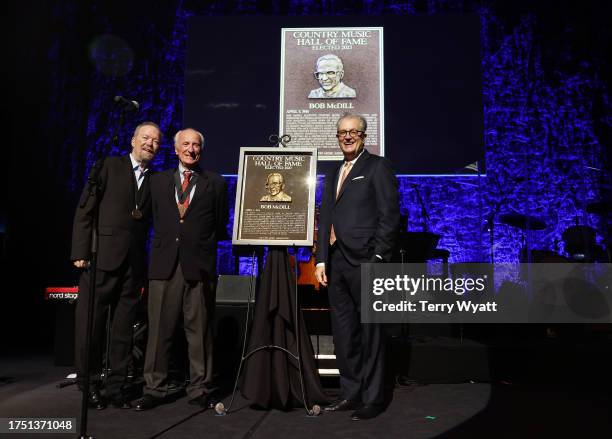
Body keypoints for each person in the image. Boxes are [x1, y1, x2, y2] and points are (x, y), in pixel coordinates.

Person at [134, 128, 228, 411]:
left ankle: (200, 388)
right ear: (175, 149)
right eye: (185, 144)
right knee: (159, 331)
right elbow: (145, 218)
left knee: (198, 332)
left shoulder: (216, 183)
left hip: (198, 268)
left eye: (196, 145)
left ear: (202, 150)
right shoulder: (157, 181)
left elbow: (220, 224)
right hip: (164, 266)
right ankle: (154, 388)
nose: (191, 149)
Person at [71, 121, 162, 409]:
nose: (150, 143)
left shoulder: (155, 179)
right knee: (92, 326)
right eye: (145, 137)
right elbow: (85, 210)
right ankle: (89, 384)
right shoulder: (108, 166)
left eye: (156, 141)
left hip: (133, 264)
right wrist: (80, 251)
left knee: (123, 329)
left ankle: (117, 386)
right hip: (100, 258)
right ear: (133, 140)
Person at [314, 113, 399, 420]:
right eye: (342, 133)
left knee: (371, 334)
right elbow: (326, 218)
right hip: (336, 264)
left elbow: (389, 216)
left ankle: (373, 399)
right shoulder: (335, 170)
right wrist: (321, 258)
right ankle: (351, 394)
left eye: (353, 132)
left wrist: (378, 258)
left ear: (364, 135)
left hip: (366, 262)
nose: (347, 137)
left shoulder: (377, 166)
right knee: (344, 334)